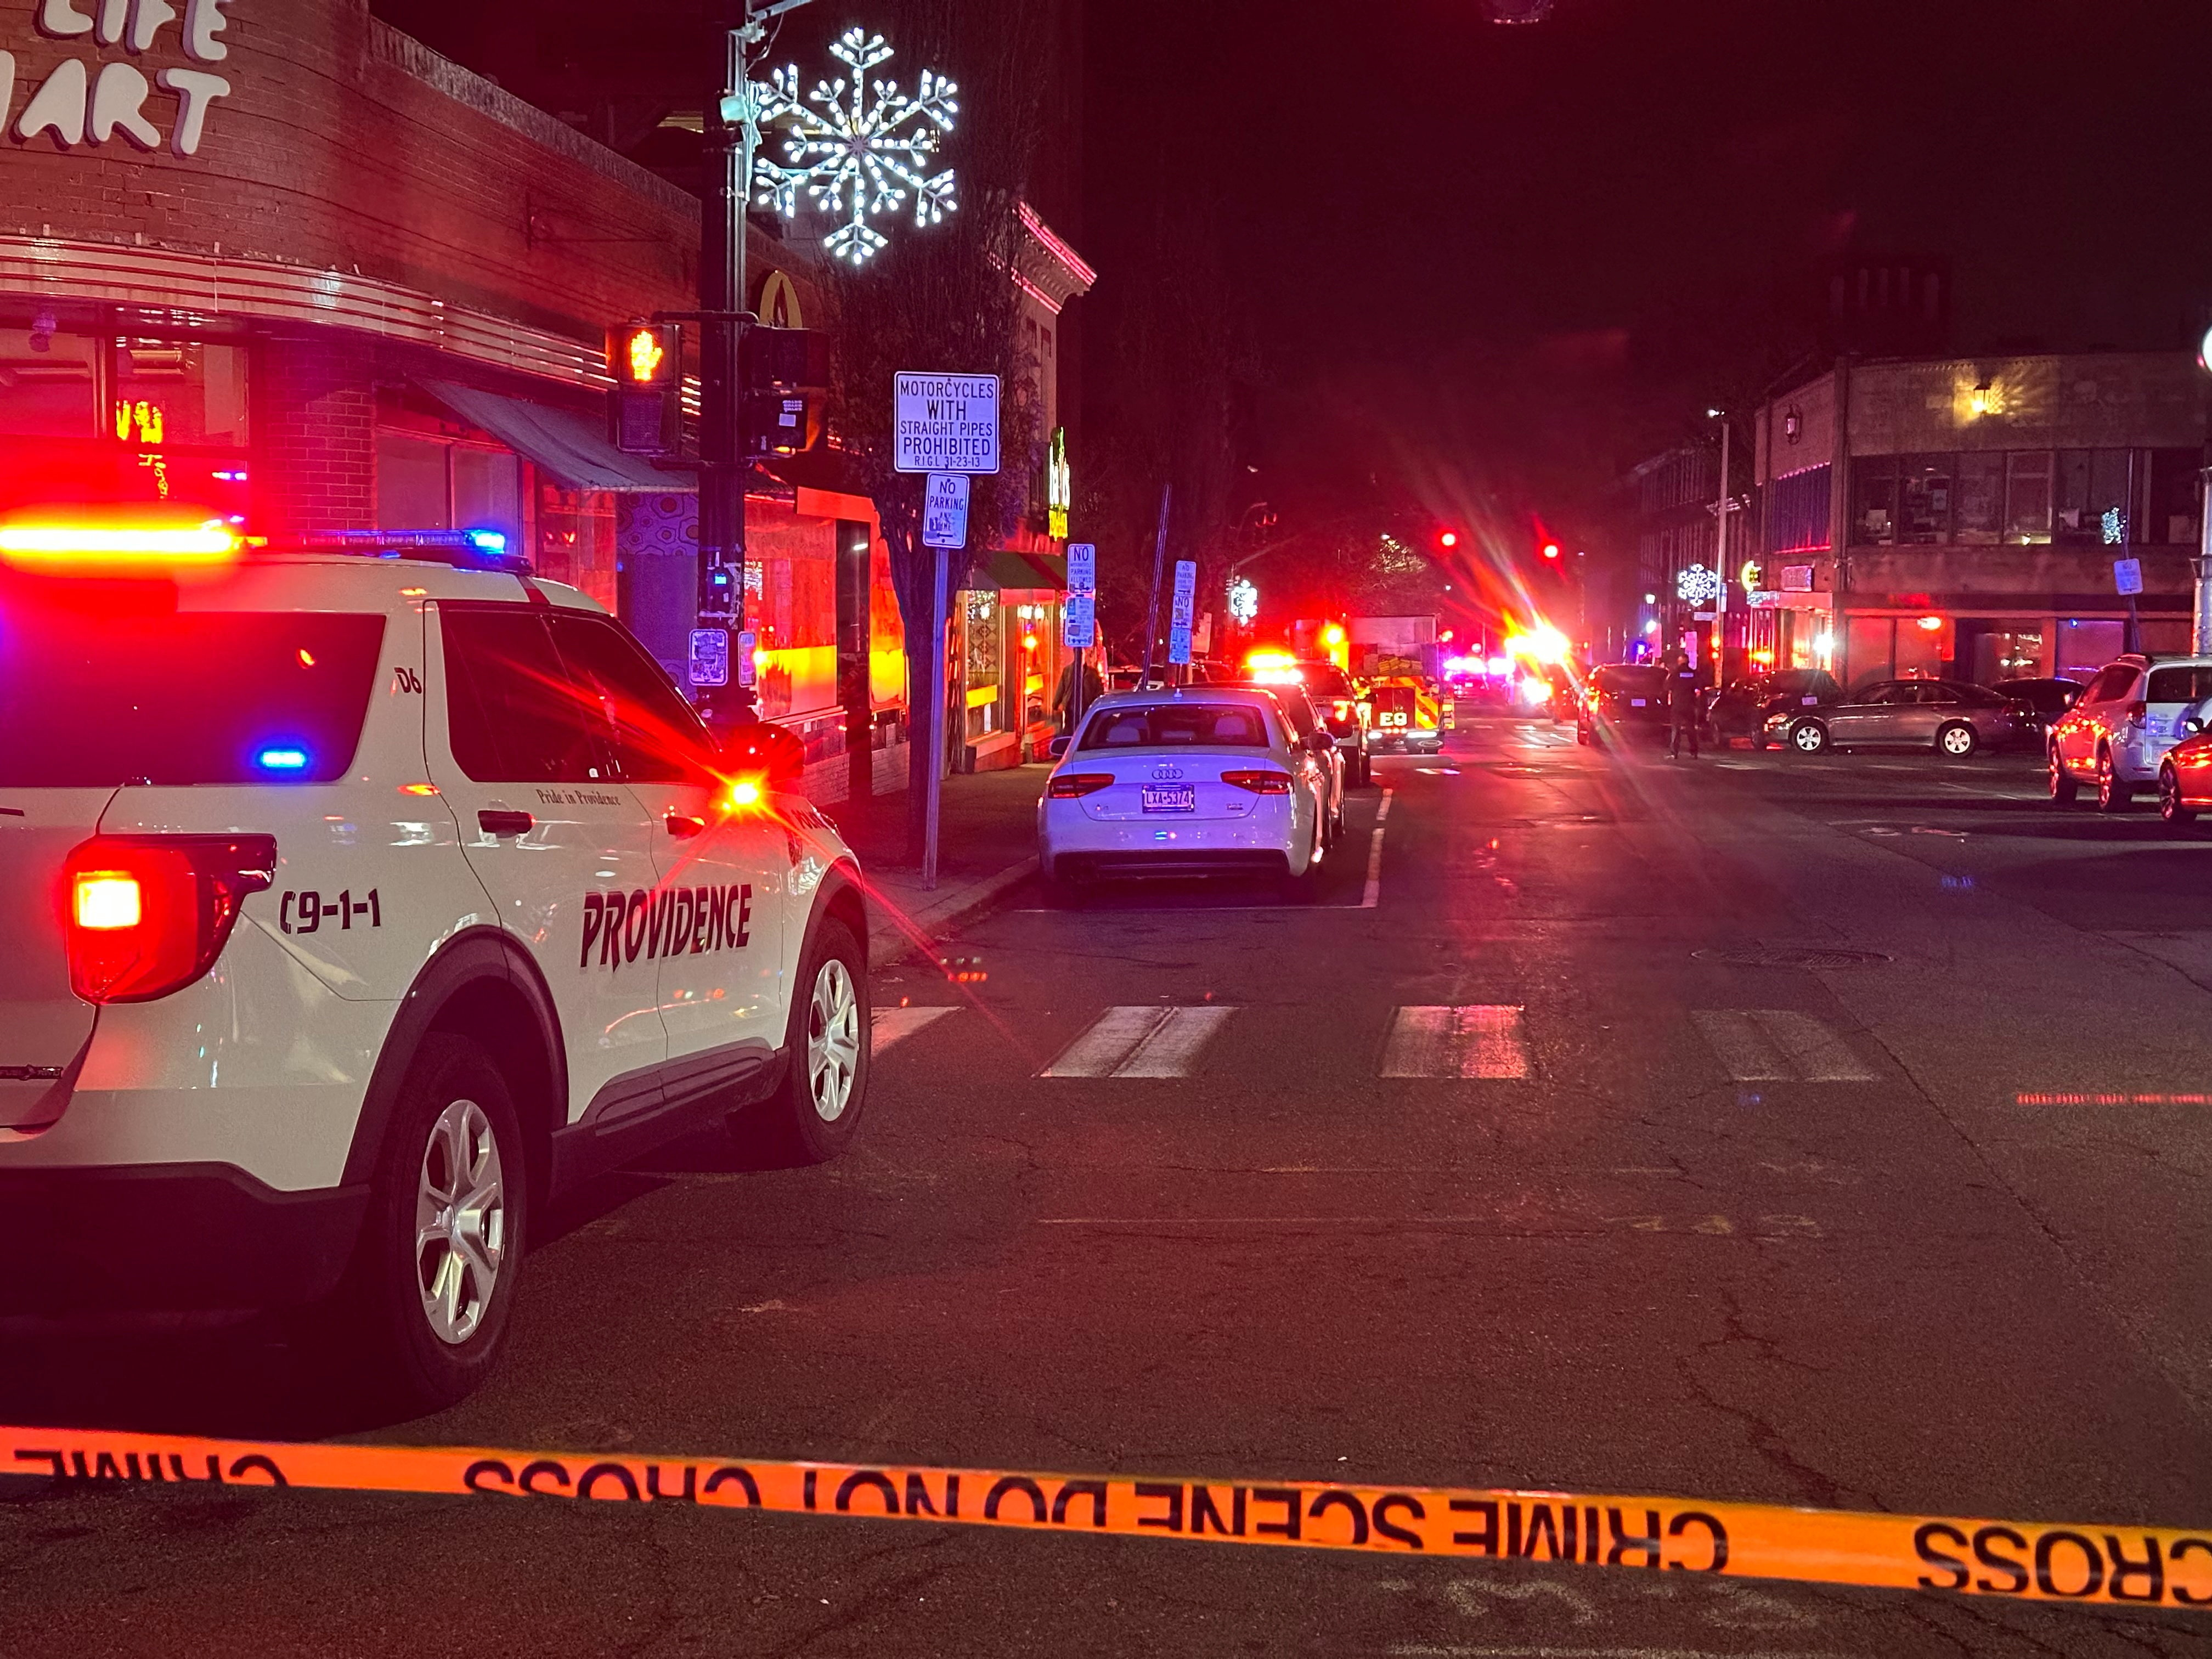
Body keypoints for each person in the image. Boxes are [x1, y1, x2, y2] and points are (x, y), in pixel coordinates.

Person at [1666, 648, 1702, 759]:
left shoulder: (1675, 673)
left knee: (1676, 729)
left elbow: (1667, 687)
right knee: (1691, 728)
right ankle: (1694, 752)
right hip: (1690, 705)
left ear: (1680, 662)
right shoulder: (1693, 674)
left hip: (1678, 705)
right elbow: (1698, 690)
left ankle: (1674, 752)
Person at [1053, 656, 1104, 733]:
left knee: (1085, 730)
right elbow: (1062, 687)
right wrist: (1056, 704)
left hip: (1086, 707)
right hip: (1070, 708)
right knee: (1069, 731)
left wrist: (1098, 705)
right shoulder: (1068, 671)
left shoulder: (1092, 673)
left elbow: (1099, 691)